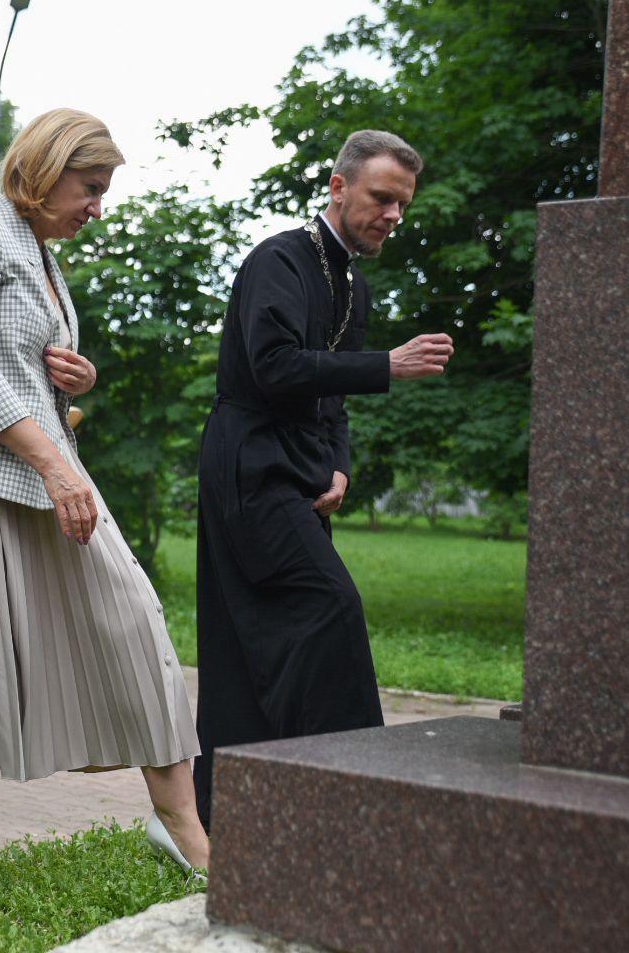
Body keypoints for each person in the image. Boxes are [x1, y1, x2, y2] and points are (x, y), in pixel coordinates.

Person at [0, 109, 209, 900]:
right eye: (90, 187)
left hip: (39, 473)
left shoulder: (41, 255)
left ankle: (180, 823)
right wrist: (61, 471)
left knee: (134, 618)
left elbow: (11, 357)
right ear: (46, 167)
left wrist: (73, 377)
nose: (99, 205)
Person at [190, 130, 455, 828]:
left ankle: (254, 809)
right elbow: (274, 366)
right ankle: (354, 798)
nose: (393, 214)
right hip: (249, 463)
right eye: (381, 198)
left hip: (300, 468)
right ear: (338, 188)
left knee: (269, 632)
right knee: (327, 607)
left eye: (403, 204)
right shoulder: (279, 259)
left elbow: (330, 399)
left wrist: (340, 463)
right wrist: (387, 366)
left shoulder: (350, 281)